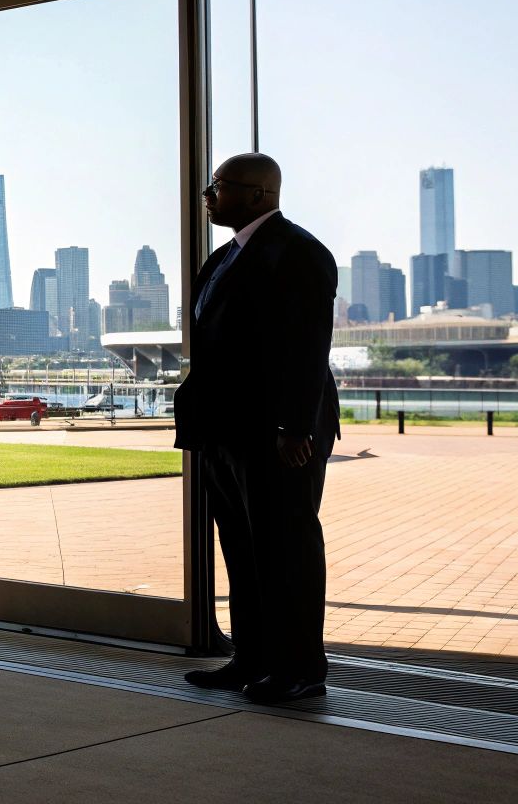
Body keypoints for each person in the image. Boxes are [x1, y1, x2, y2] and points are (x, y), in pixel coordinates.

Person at [176, 153, 339, 704]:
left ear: (257, 194)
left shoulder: (300, 253)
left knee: (285, 549)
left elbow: (308, 345)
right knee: (242, 549)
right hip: (224, 431)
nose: (207, 195)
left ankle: (300, 672)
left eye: (216, 186)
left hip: (278, 435)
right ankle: (252, 658)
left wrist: (295, 427)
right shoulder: (224, 257)